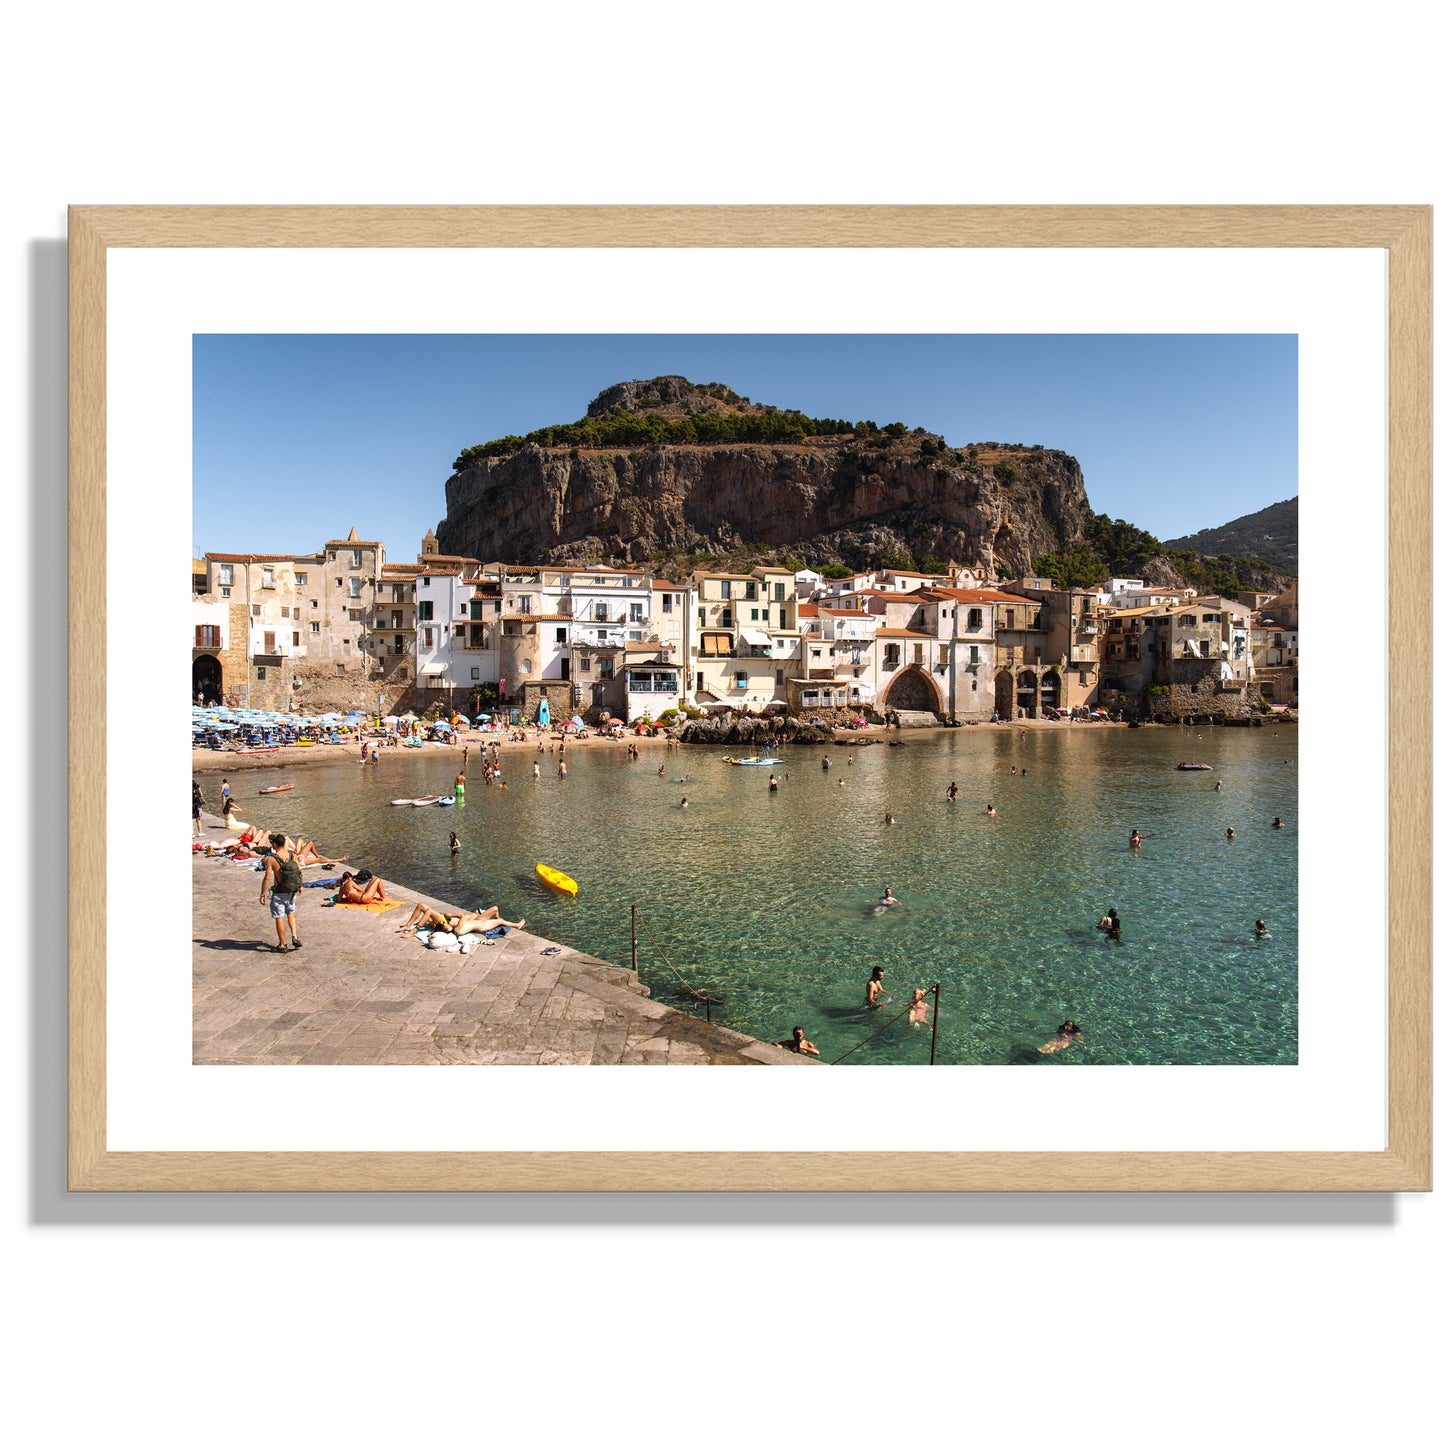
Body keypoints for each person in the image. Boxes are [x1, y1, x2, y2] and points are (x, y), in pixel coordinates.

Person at [259, 832, 303, 953]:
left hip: (279, 892)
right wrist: (299, 886)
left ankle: (282, 944)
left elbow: (267, 877)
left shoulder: (271, 859)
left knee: (279, 917)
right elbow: (299, 871)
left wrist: (262, 894)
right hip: (292, 891)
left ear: (274, 845)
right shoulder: (292, 855)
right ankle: (294, 936)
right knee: (291, 913)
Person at [395, 902, 525, 935]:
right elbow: (462, 917)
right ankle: (516, 925)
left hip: (477, 920)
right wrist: (451, 916)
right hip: (479, 924)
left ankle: (408, 925)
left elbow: (464, 917)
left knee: (495, 908)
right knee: (500, 921)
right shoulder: (456, 929)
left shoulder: (454, 923)